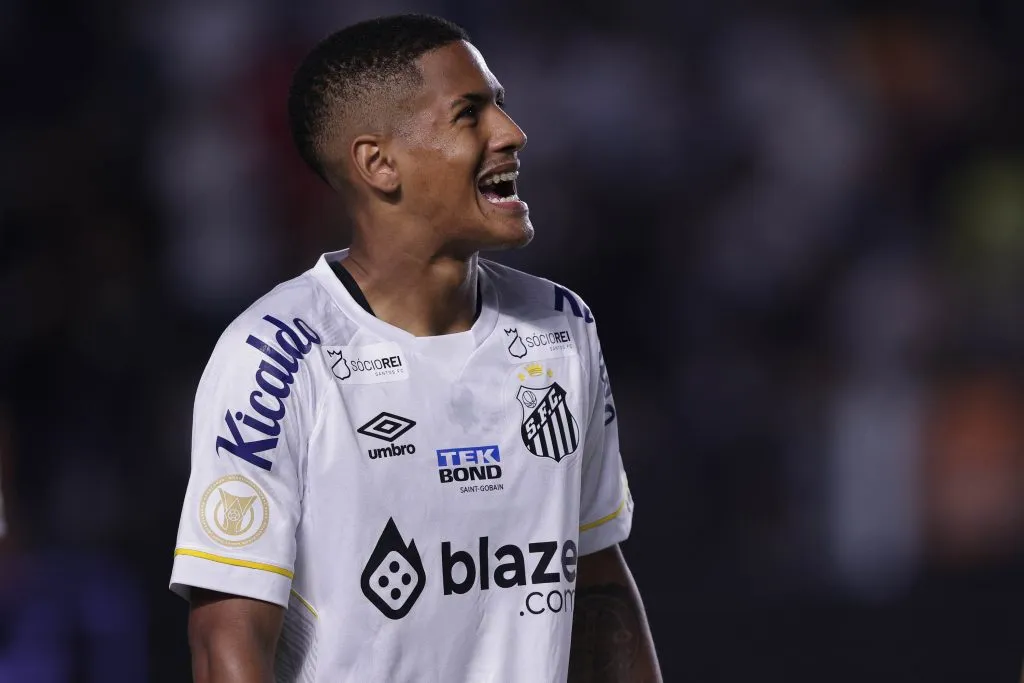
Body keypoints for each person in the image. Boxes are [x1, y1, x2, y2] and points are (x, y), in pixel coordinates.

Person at [169, 13, 661, 683]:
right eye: (470, 114)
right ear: (379, 163)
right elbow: (226, 642)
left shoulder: (561, 329)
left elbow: (599, 581)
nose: (512, 133)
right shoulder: (275, 356)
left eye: (500, 105)